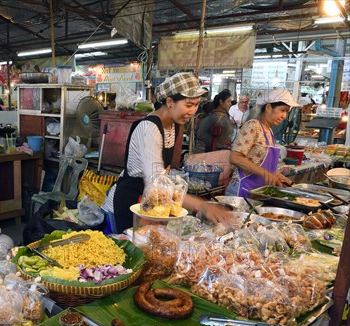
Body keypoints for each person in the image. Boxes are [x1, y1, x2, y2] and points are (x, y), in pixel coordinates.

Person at [104, 72, 232, 233]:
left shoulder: (173, 124)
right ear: (170, 102)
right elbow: (156, 182)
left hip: (150, 203)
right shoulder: (149, 128)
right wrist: (202, 205)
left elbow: (165, 171)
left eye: (196, 104)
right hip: (130, 203)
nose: (193, 111)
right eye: (188, 104)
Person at [225, 88, 297, 197]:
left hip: (258, 191)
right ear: (268, 107)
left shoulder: (269, 131)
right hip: (243, 190)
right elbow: (235, 157)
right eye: (282, 110)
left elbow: (265, 166)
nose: (284, 116)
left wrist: (284, 179)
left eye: (286, 112)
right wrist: (264, 173)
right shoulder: (253, 125)